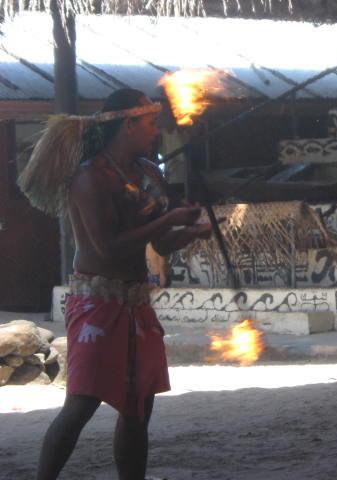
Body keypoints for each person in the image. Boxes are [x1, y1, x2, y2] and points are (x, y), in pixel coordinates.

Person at [19, 88, 211, 479]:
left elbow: (161, 243)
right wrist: (167, 220)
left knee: (139, 407)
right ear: (128, 124)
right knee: (82, 403)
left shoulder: (149, 173)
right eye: (151, 123)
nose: (156, 132)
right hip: (97, 302)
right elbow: (106, 249)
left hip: (136, 301)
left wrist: (190, 231)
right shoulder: (88, 177)